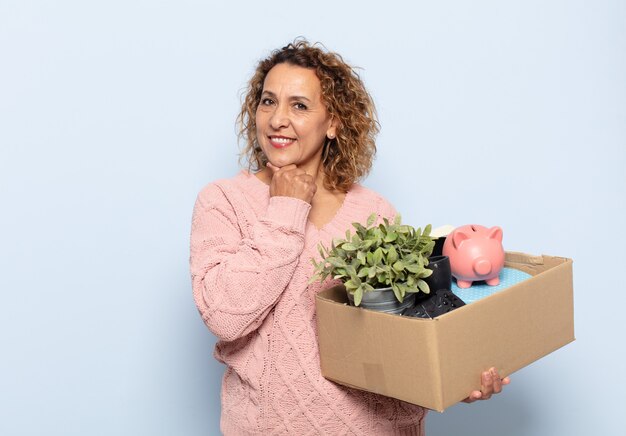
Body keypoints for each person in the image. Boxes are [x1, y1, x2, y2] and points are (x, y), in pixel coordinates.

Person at [190, 40, 510, 435]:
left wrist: (455, 376)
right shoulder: (224, 201)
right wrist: (287, 209)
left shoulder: (374, 212)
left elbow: (401, 332)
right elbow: (225, 316)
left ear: (334, 123)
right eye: (268, 102)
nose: (277, 119)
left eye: (299, 105)